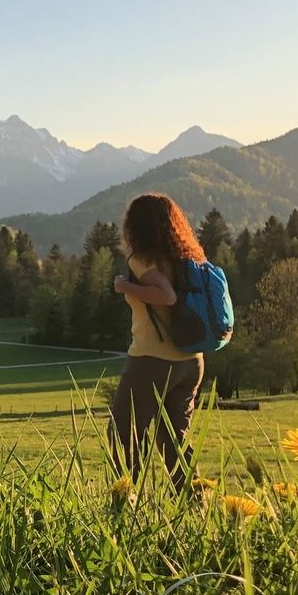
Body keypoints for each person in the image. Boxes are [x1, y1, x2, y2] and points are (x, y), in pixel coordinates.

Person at [108, 193, 206, 487]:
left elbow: (167, 296)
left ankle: (124, 507)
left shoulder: (142, 260)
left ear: (134, 226)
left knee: (122, 435)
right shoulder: (189, 258)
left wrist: (124, 286)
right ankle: (193, 510)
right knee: (174, 443)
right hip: (191, 362)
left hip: (152, 360)